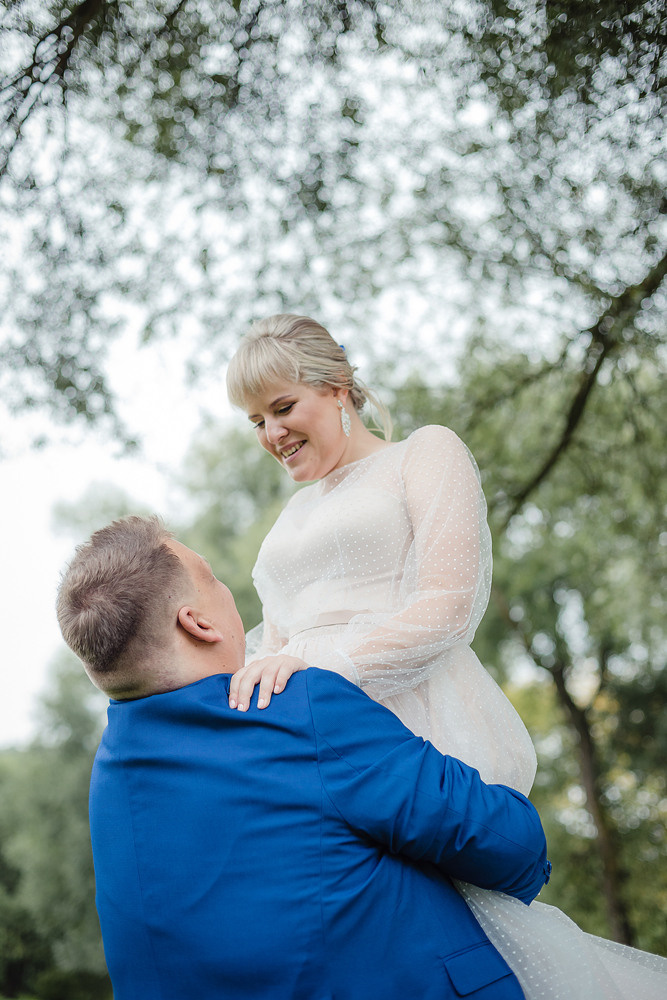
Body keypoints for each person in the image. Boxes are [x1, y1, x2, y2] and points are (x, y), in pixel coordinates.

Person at [225, 313, 667, 1000]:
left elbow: (448, 604)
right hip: (313, 745)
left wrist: (326, 675)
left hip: (412, 725)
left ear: (337, 387)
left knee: (470, 935)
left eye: (282, 407)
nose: (271, 434)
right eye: (256, 421)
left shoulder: (423, 454)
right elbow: (276, 641)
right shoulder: (289, 517)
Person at [56, 515, 552, 1000]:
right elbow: (510, 843)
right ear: (198, 623)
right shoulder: (297, 709)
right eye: (213, 579)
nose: (228, 593)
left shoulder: (107, 784)